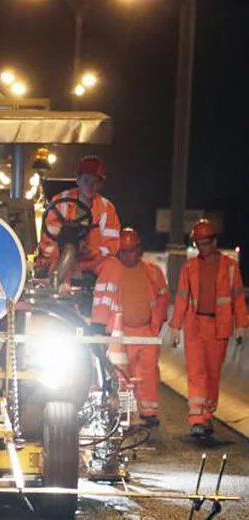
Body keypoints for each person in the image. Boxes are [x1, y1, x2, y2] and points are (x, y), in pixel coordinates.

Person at [169, 218, 247, 437]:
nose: (201, 247)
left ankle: (207, 414)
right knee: (197, 372)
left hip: (219, 327)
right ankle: (196, 418)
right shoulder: (190, 268)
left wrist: (241, 324)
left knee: (212, 374)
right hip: (195, 325)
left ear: (214, 241)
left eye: (204, 242)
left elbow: (238, 297)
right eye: (198, 243)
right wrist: (175, 326)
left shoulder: (230, 267)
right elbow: (182, 298)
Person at [91, 228, 170, 426]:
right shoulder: (113, 271)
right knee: (123, 375)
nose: (128, 255)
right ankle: (125, 413)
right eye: (123, 251)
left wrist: (156, 323)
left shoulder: (152, 271)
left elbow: (163, 296)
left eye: (131, 250)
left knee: (148, 373)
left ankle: (148, 411)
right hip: (120, 332)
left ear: (139, 250)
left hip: (146, 332)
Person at [37, 155, 121, 276]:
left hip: (91, 264)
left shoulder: (107, 208)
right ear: (78, 180)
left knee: (113, 265)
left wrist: (91, 252)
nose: (90, 186)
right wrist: (63, 253)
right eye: (86, 180)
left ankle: (104, 294)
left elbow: (112, 245)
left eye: (95, 181)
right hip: (58, 260)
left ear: (101, 184)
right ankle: (57, 282)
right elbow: (47, 241)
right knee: (49, 266)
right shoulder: (60, 202)